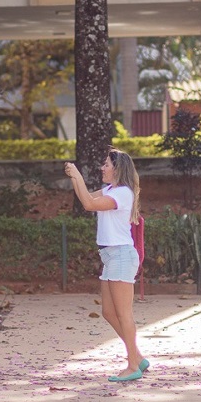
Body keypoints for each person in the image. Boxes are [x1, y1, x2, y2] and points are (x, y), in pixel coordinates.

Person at [65, 148, 149, 382]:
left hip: (121, 255)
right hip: (111, 257)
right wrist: (75, 178)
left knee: (124, 314)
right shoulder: (111, 189)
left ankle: (133, 366)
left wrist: (77, 175)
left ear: (117, 169)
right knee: (109, 312)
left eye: (106, 165)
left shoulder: (123, 193)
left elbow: (91, 205)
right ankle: (138, 356)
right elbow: (87, 200)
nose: (102, 168)